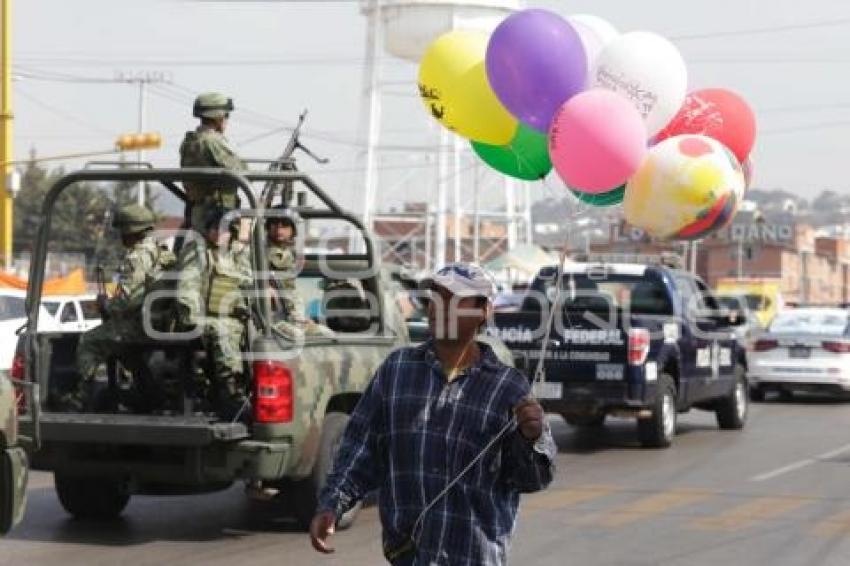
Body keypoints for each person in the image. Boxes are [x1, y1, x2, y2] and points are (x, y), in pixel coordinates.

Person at [310, 263, 556, 565]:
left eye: (454, 299)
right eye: (435, 298)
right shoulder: (397, 371)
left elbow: (533, 479)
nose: (440, 308)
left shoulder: (508, 387)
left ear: (484, 312)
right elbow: (359, 449)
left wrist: (531, 437)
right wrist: (332, 505)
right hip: (408, 556)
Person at [65, 204, 175, 411]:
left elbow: (128, 300)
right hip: (158, 323)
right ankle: (150, 395)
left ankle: (82, 396)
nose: (120, 237)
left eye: (122, 230)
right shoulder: (162, 252)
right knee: (127, 351)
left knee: (88, 341)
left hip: (140, 326)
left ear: (131, 231)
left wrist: (104, 304)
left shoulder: (137, 257)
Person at [175, 206, 252, 421]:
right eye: (214, 228)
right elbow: (187, 289)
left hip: (235, 319)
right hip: (205, 319)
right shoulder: (199, 252)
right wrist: (193, 320)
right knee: (223, 331)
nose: (219, 233)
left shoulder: (237, 255)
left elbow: (248, 284)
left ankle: (241, 389)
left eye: (225, 229)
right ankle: (230, 393)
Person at [179, 92, 245, 231]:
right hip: (216, 213)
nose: (227, 120)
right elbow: (242, 170)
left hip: (200, 209)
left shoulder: (190, 141)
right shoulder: (212, 141)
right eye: (226, 116)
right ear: (218, 117)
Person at [266, 207, 333, 339]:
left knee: (327, 334)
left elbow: (291, 295)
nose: (279, 230)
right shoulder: (259, 250)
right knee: (297, 336)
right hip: (271, 318)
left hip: (289, 314)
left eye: (284, 225)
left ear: (293, 229)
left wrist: (302, 320)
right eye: (274, 225)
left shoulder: (291, 252)